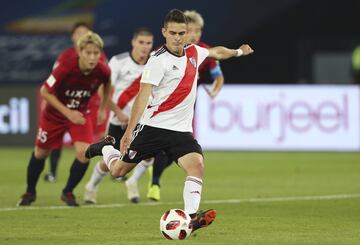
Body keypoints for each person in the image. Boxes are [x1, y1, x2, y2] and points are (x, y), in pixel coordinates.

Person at [85, 9, 253, 232]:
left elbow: (216, 52)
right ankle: (106, 147)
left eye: (181, 33)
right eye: (172, 33)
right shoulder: (157, 60)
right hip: (152, 127)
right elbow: (143, 96)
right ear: (164, 32)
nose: (177, 37)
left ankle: (192, 218)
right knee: (117, 171)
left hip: (180, 131)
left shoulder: (194, 51)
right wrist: (128, 132)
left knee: (197, 166)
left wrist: (238, 52)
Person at [17, 31, 112, 207]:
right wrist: (68, 113)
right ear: (79, 52)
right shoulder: (66, 67)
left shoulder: (103, 70)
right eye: (88, 53)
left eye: (96, 53)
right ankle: (30, 192)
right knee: (41, 153)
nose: (92, 57)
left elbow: (107, 85)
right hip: (54, 115)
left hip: (80, 114)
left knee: (84, 153)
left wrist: (102, 108)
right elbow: (45, 91)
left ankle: (68, 192)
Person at [146, 9, 226, 202]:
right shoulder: (167, 53)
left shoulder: (204, 52)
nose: (195, 35)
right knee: (163, 148)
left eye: (198, 31)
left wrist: (215, 89)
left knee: (176, 150)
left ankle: (154, 179)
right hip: (162, 107)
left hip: (186, 108)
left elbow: (218, 76)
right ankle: (153, 181)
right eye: (191, 30)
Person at [83, 27, 154, 204]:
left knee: (149, 154)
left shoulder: (155, 62)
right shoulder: (118, 62)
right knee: (113, 162)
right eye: (141, 42)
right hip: (118, 121)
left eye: (148, 43)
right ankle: (91, 186)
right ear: (133, 42)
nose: (145, 47)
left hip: (143, 121)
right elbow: (102, 90)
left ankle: (133, 181)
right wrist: (118, 112)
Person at [43, 22, 109, 183]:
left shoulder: (99, 56)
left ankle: (113, 167)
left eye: (86, 33)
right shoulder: (65, 57)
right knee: (56, 140)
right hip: (65, 103)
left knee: (101, 137)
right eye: (79, 33)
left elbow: (104, 83)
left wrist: (103, 106)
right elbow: (53, 82)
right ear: (73, 36)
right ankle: (53, 172)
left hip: (89, 104)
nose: (82, 36)